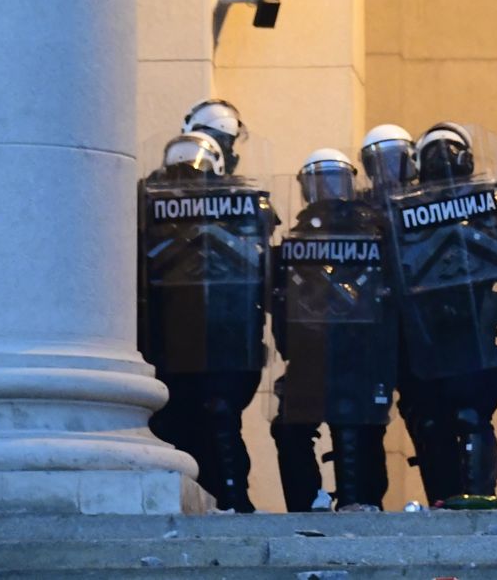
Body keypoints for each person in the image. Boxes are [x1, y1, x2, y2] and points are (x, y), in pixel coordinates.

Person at [138, 125, 275, 512]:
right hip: (170, 343)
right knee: (175, 425)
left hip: (223, 341)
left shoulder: (241, 209)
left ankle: (234, 499)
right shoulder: (148, 206)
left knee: (220, 421)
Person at [382, 122, 497, 509]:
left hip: (469, 332)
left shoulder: (487, 203)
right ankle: (450, 499)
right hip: (430, 338)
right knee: (437, 424)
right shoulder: (405, 209)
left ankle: (475, 494)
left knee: (464, 418)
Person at [269, 148, 396, 511]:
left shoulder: (375, 234)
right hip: (311, 349)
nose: (326, 190)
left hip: (359, 349)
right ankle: (307, 503)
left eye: (334, 180)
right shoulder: (295, 242)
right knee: (289, 426)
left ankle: (360, 502)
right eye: (318, 181)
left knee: (358, 425)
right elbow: (279, 298)